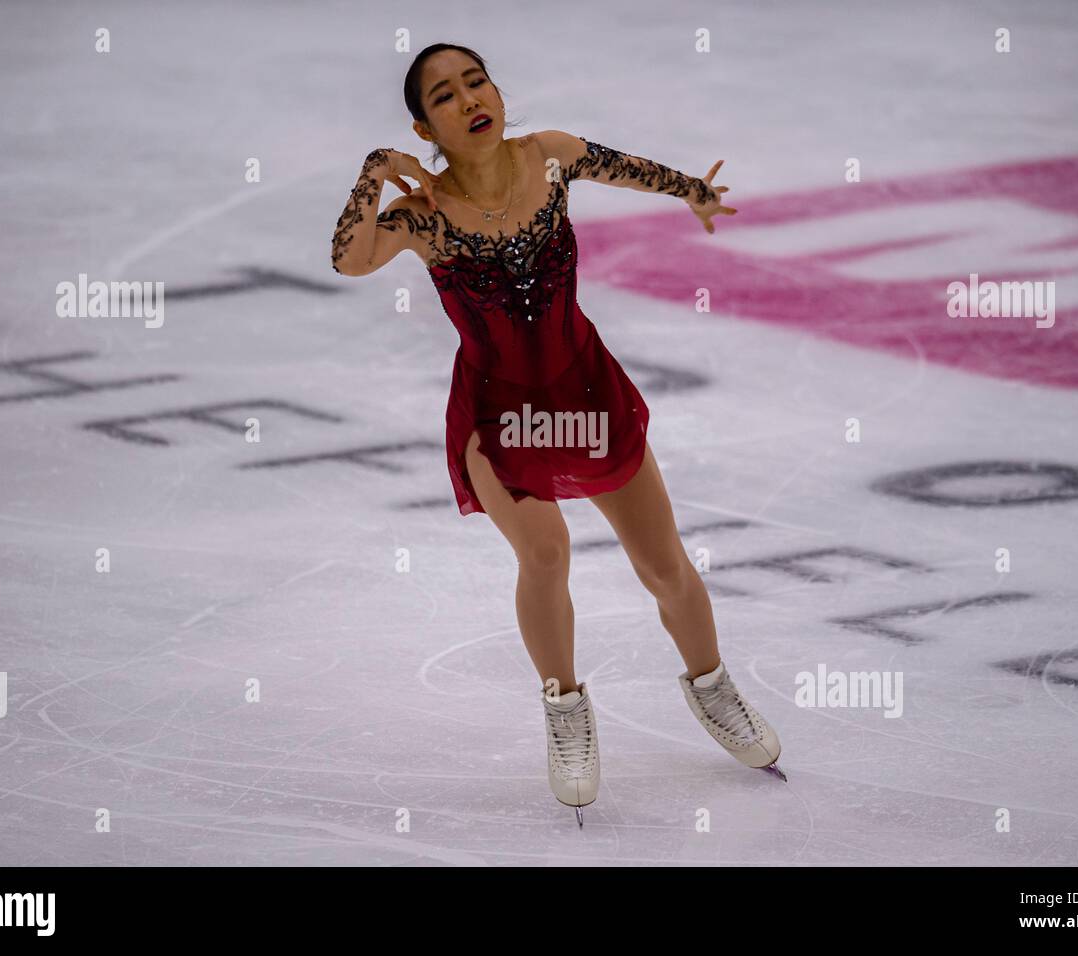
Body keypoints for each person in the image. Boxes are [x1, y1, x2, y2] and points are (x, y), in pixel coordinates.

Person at [331, 43, 785, 826]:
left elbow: (628, 169)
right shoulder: (423, 214)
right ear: (423, 124)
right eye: (445, 94)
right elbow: (350, 260)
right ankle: (566, 710)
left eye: (477, 80)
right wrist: (374, 173)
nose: (470, 98)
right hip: (496, 413)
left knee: (663, 565)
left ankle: (713, 688)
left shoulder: (549, 160)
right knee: (544, 551)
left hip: (586, 391)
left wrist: (693, 192)